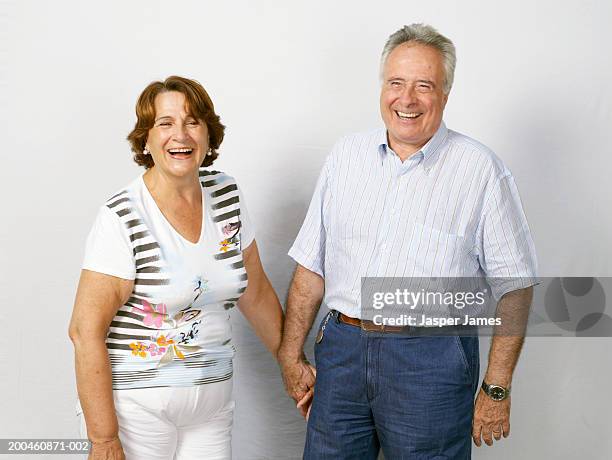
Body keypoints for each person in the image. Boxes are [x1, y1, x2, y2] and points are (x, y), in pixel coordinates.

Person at [278, 24, 537, 459]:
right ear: (382, 87)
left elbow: (516, 286)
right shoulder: (346, 157)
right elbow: (311, 266)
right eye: (396, 83)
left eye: (424, 86)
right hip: (342, 350)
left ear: (445, 94)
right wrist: (291, 354)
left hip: (431, 361)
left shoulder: (479, 170)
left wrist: (496, 388)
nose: (407, 99)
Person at [69, 76, 283, 460]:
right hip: (137, 411)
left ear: (208, 134)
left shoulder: (226, 194)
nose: (179, 135)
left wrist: (292, 363)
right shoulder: (122, 216)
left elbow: (257, 291)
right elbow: (86, 332)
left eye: (192, 122)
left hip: (213, 408)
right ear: (145, 139)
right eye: (165, 124)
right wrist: (103, 439)